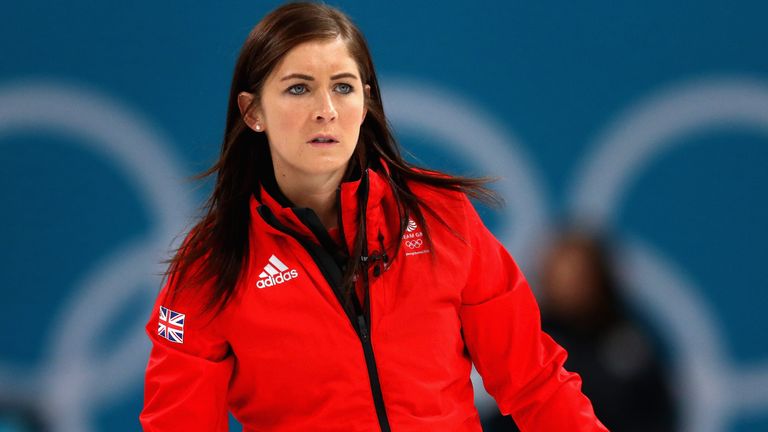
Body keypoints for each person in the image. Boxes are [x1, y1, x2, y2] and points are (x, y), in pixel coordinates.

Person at [139, 2, 608, 431]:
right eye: (298, 88)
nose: (325, 111)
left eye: (342, 87)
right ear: (253, 111)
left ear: (364, 103)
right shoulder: (211, 262)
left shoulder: (440, 217)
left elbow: (536, 382)